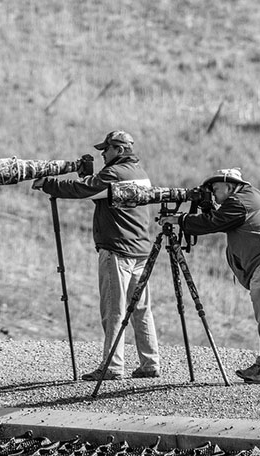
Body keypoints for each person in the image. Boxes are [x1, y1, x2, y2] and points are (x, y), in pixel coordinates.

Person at [32, 130, 160, 381]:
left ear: (120, 150)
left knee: (113, 309)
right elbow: (103, 196)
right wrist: (87, 176)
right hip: (140, 251)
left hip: (117, 250)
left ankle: (113, 366)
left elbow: (85, 190)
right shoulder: (139, 173)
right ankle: (150, 362)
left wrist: (48, 183)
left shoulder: (114, 173)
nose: (103, 153)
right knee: (141, 309)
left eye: (107, 149)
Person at [159, 168, 260, 385]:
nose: (213, 193)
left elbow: (213, 222)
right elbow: (222, 219)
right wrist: (205, 210)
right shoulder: (250, 197)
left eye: (216, 188)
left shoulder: (240, 201)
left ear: (230, 186)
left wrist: (181, 220)